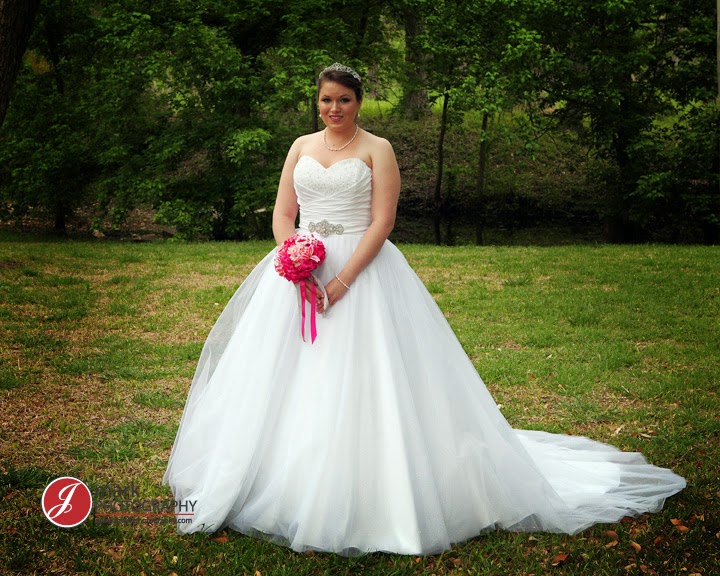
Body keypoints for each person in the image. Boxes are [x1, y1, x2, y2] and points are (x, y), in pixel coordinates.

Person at [162, 63, 685, 556]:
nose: (334, 108)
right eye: (325, 100)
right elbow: (283, 213)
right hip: (300, 269)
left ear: (359, 102)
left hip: (361, 271)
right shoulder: (300, 145)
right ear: (316, 102)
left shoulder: (378, 148)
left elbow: (382, 222)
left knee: (369, 375)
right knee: (280, 375)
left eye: (344, 100)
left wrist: (341, 281)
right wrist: (294, 260)